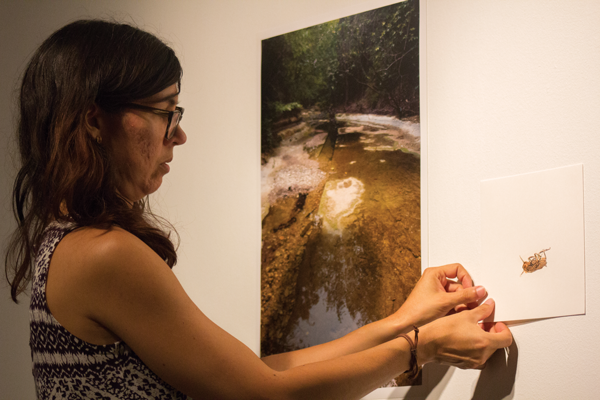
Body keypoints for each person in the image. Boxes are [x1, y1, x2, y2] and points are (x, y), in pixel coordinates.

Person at [4, 19, 512, 399]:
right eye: (166, 112)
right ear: (96, 121)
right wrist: (420, 345)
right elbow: (264, 397)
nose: (179, 133)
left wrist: (402, 321)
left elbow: (260, 373)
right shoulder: (104, 254)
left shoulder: (65, 244)